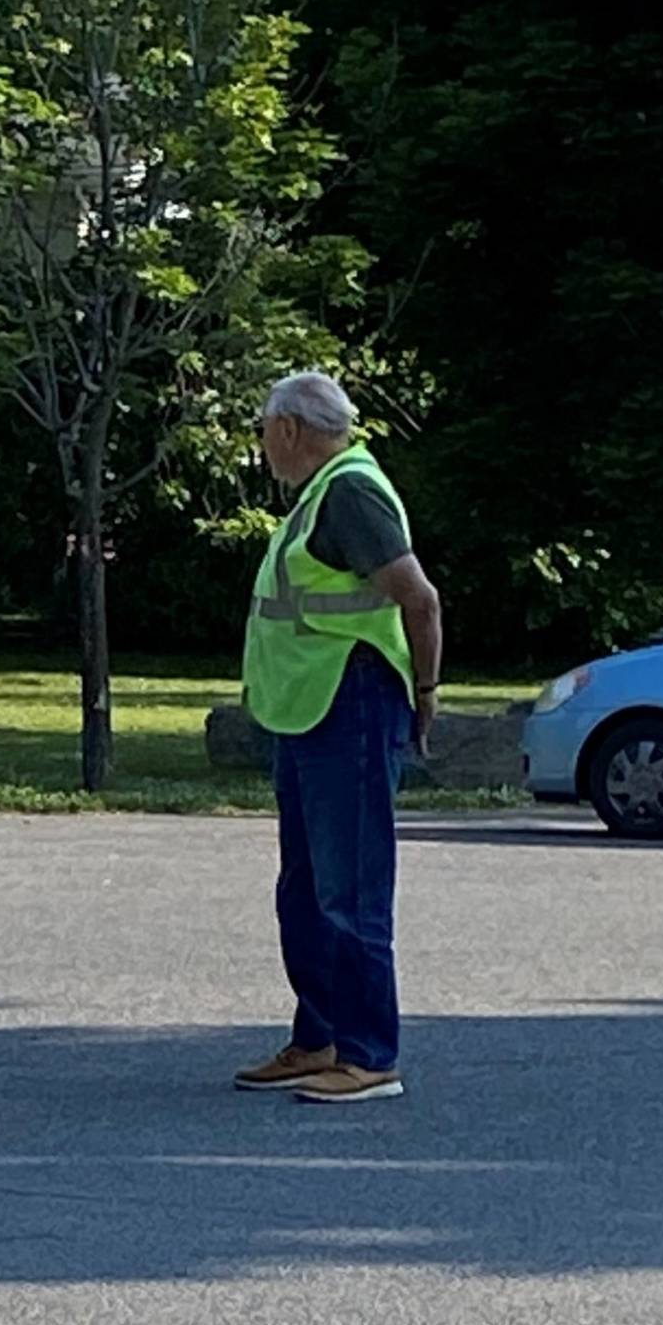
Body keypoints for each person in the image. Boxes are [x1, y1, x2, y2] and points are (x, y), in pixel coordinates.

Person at [236, 372, 444, 1104]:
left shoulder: (349, 492)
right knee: (306, 890)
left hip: (349, 707)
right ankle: (318, 1037)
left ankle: (368, 1055)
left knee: (350, 890)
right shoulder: (320, 495)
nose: (262, 448)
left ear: (290, 429)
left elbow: (420, 599)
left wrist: (424, 694)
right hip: (309, 711)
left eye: (264, 432)